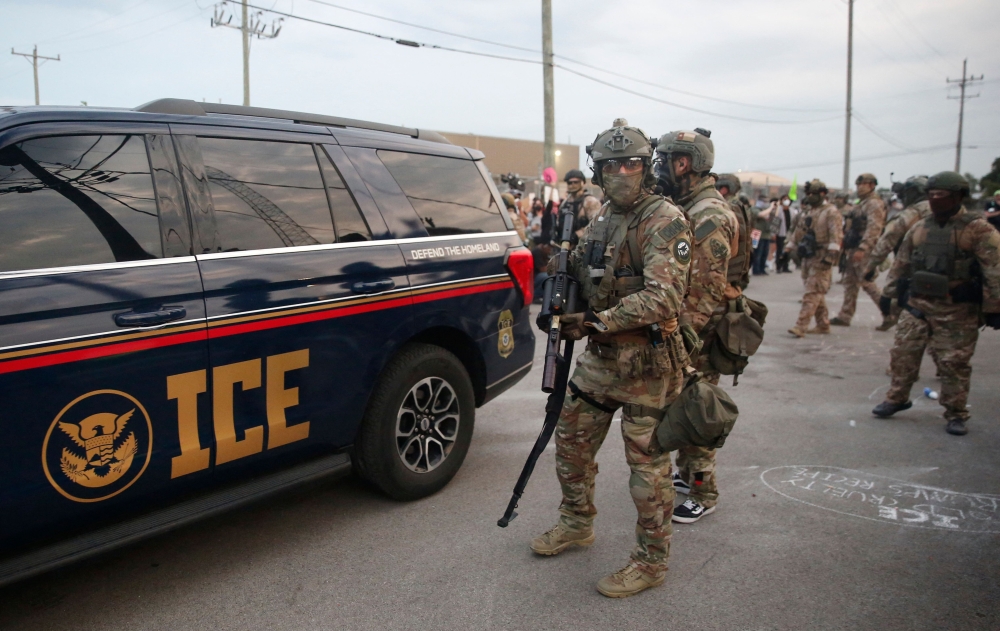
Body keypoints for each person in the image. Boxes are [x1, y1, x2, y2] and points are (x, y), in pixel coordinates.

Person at [530, 119, 692, 598]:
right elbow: (582, 268)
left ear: (647, 168)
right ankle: (576, 521)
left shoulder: (664, 218)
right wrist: (556, 277)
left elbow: (664, 297)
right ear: (597, 171)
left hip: (648, 363)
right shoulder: (602, 219)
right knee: (571, 441)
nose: (622, 171)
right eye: (611, 165)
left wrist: (597, 322)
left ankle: (650, 561)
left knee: (647, 469)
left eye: (632, 163)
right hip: (601, 360)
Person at [871, 172, 1000, 436]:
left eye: (941, 195)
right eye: (931, 195)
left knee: (954, 363)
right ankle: (897, 398)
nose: (935, 200)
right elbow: (902, 262)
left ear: (958, 197)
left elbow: (994, 270)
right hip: (919, 305)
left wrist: (994, 307)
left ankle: (956, 412)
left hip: (957, 309)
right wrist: (889, 294)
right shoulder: (920, 227)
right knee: (903, 353)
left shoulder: (978, 229)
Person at [656, 130, 739, 525]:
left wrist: (679, 340)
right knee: (681, 403)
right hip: (689, 329)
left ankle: (706, 491)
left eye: (664, 159)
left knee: (697, 405)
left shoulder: (709, 214)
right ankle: (689, 477)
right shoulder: (690, 205)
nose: (659, 167)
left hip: (699, 334)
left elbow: (705, 290)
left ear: (683, 163)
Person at [864, 176, 931, 330]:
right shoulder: (950, 210)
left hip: (915, 271)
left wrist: (870, 267)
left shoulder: (911, 214)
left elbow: (887, 241)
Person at [787, 179, 843, 337]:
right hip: (808, 256)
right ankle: (823, 324)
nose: (811, 197)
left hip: (822, 257)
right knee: (815, 291)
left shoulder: (831, 212)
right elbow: (799, 231)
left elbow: (836, 237)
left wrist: (831, 257)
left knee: (812, 292)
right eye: (809, 194)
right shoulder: (808, 212)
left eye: (814, 194)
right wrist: (790, 246)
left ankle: (801, 326)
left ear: (823, 194)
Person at [831, 174, 887, 326]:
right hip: (852, 247)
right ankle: (845, 315)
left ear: (871, 185)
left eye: (863, 184)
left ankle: (889, 312)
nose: (859, 188)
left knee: (867, 282)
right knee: (850, 283)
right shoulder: (861, 203)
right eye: (858, 185)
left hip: (864, 249)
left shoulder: (874, 204)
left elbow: (874, 229)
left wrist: (863, 248)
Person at [716, 174, 754, 288]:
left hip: (728, 274)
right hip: (734, 274)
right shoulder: (738, 206)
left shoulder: (728, 208)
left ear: (723, 190)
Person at [562, 168, 602, 243]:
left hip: (582, 245)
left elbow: (597, 224)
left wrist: (578, 235)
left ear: (583, 182)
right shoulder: (565, 203)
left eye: (576, 182)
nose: (572, 185)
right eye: (569, 183)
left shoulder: (589, 201)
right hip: (563, 245)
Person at [751, 198, 774, 275]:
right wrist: (771, 207)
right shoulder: (754, 209)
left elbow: (775, 217)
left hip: (766, 234)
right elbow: (761, 215)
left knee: (765, 253)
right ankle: (756, 269)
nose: (765, 203)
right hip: (757, 234)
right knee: (758, 253)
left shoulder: (766, 209)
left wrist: (774, 207)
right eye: (763, 201)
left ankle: (762, 268)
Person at [772, 195, 793, 272]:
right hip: (780, 233)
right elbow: (775, 221)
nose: (786, 201)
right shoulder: (779, 210)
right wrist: (774, 233)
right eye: (784, 199)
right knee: (779, 250)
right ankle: (778, 266)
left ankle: (785, 266)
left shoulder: (791, 210)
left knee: (787, 250)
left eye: (788, 199)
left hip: (789, 234)